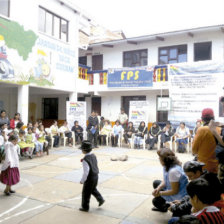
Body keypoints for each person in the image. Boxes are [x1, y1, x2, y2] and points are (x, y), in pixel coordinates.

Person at [152, 148, 188, 212]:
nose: (158, 159)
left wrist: (160, 193)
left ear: (164, 160)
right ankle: (166, 203)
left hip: (178, 196)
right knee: (156, 183)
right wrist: (158, 188)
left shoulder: (173, 171)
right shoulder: (167, 165)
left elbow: (175, 191)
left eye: (159, 158)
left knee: (155, 201)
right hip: (173, 188)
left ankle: (168, 205)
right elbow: (165, 180)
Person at [79, 141, 105, 212]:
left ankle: (85, 207)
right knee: (93, 189)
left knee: (86, 193)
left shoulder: (85, 160)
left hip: (89, 178)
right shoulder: (93, 155)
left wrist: (82, 180)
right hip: (95, 176)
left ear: (84, 150)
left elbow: (86, 172)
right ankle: (101, 199)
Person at [192, 108, 218, 173]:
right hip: (217, 165)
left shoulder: (201, 130)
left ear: (202, 119)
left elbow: (194, 150)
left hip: (204, 166)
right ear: (214, 118)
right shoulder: (219, 128)